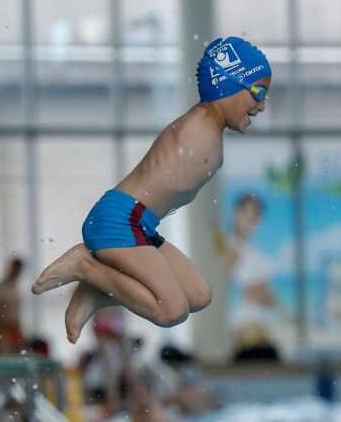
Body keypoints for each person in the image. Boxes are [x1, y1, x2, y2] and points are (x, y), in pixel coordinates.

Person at [31, 36, 272, 342]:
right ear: (228, 86)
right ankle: (85, 266)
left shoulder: (208, 127)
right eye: (258, 92)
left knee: (199, 295)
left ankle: (97, 290)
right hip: (120, 221)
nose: (262, 105)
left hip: (140, 224)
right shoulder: (197, 125)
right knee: (171, 310)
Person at [222, 193, 281, 362]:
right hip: (237, 330)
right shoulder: (227, 246)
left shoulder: (253, 251)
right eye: (246, 214)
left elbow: (267, 296)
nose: (250, 220)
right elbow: (218, 287)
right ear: (235, 213)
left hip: (257, 328)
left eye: (255, 215)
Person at [0, 257, 26, 354]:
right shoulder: (0, 288)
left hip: (15, 332)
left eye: (18, 270)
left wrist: (18, 331)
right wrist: (6, 325)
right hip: (3, 332)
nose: (16, 272)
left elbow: (16, 313)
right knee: (4, 356)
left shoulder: (15, 288)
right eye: (15, 269)